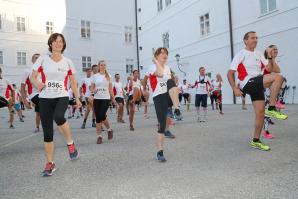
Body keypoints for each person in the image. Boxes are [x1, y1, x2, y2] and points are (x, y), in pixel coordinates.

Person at [227, 31, 287, 151]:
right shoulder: (241, 54)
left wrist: (270, 58)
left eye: (256, 38)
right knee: (278, 78)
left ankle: (256, 141)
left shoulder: (259, 54)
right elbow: (230, 73)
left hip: (258, 84)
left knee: (260, 113)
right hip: (247, 82)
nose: (255, 40)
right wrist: (234, 88)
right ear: (245, 40)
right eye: (252, 38)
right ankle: (271, 108)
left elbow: (275, 69)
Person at [30, 33, 80, 177]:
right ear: (50, 43)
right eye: (55, 41)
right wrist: (37, 83)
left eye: (61, 41)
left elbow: (72, 82)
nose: (58, 43)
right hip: (45, 97)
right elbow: (32, 77)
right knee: (47, 133)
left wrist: (77, 98)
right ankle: (50, 163)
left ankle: (70, 144)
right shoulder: (43, 59)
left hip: (62, 95)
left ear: (63, 45)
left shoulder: (68, 62)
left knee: (59, 117)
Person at [143, 47, 177, 162]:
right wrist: (156, 62)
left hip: (168, 94)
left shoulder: (168, 67)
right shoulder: (152, 67)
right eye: (162, 53)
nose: (165, 54)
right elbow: (160, 74)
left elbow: (170, 81)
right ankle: (159, 151)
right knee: (161, 125)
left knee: (172, 82)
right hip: (158, 96)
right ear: (157, 56)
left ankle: (177, 109)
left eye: (166, 53)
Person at [89, 60, 116, 144]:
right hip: (97, 98)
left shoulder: (108, 76)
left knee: (101, 115)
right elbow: (92, 88)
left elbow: (110, 89)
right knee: (98, 118)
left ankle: (109, 129)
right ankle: (99, 136)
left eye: (104, 65)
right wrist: (94, 90)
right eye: (101, 65)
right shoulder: (95, 76)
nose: (103, 66)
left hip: (106, 98)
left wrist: (113, 99)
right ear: (99, 66)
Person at [21, 53, 41, 133]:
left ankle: (37, 127)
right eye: (36, 58)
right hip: (33, 95)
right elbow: (22, 86)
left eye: (39, 58)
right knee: (44, 105)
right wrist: (25, 101)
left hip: (43, 94)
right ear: (32, 60)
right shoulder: (27, 71)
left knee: (38, 112)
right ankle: (47, 126)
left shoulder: (43, 71)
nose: (37, 59)